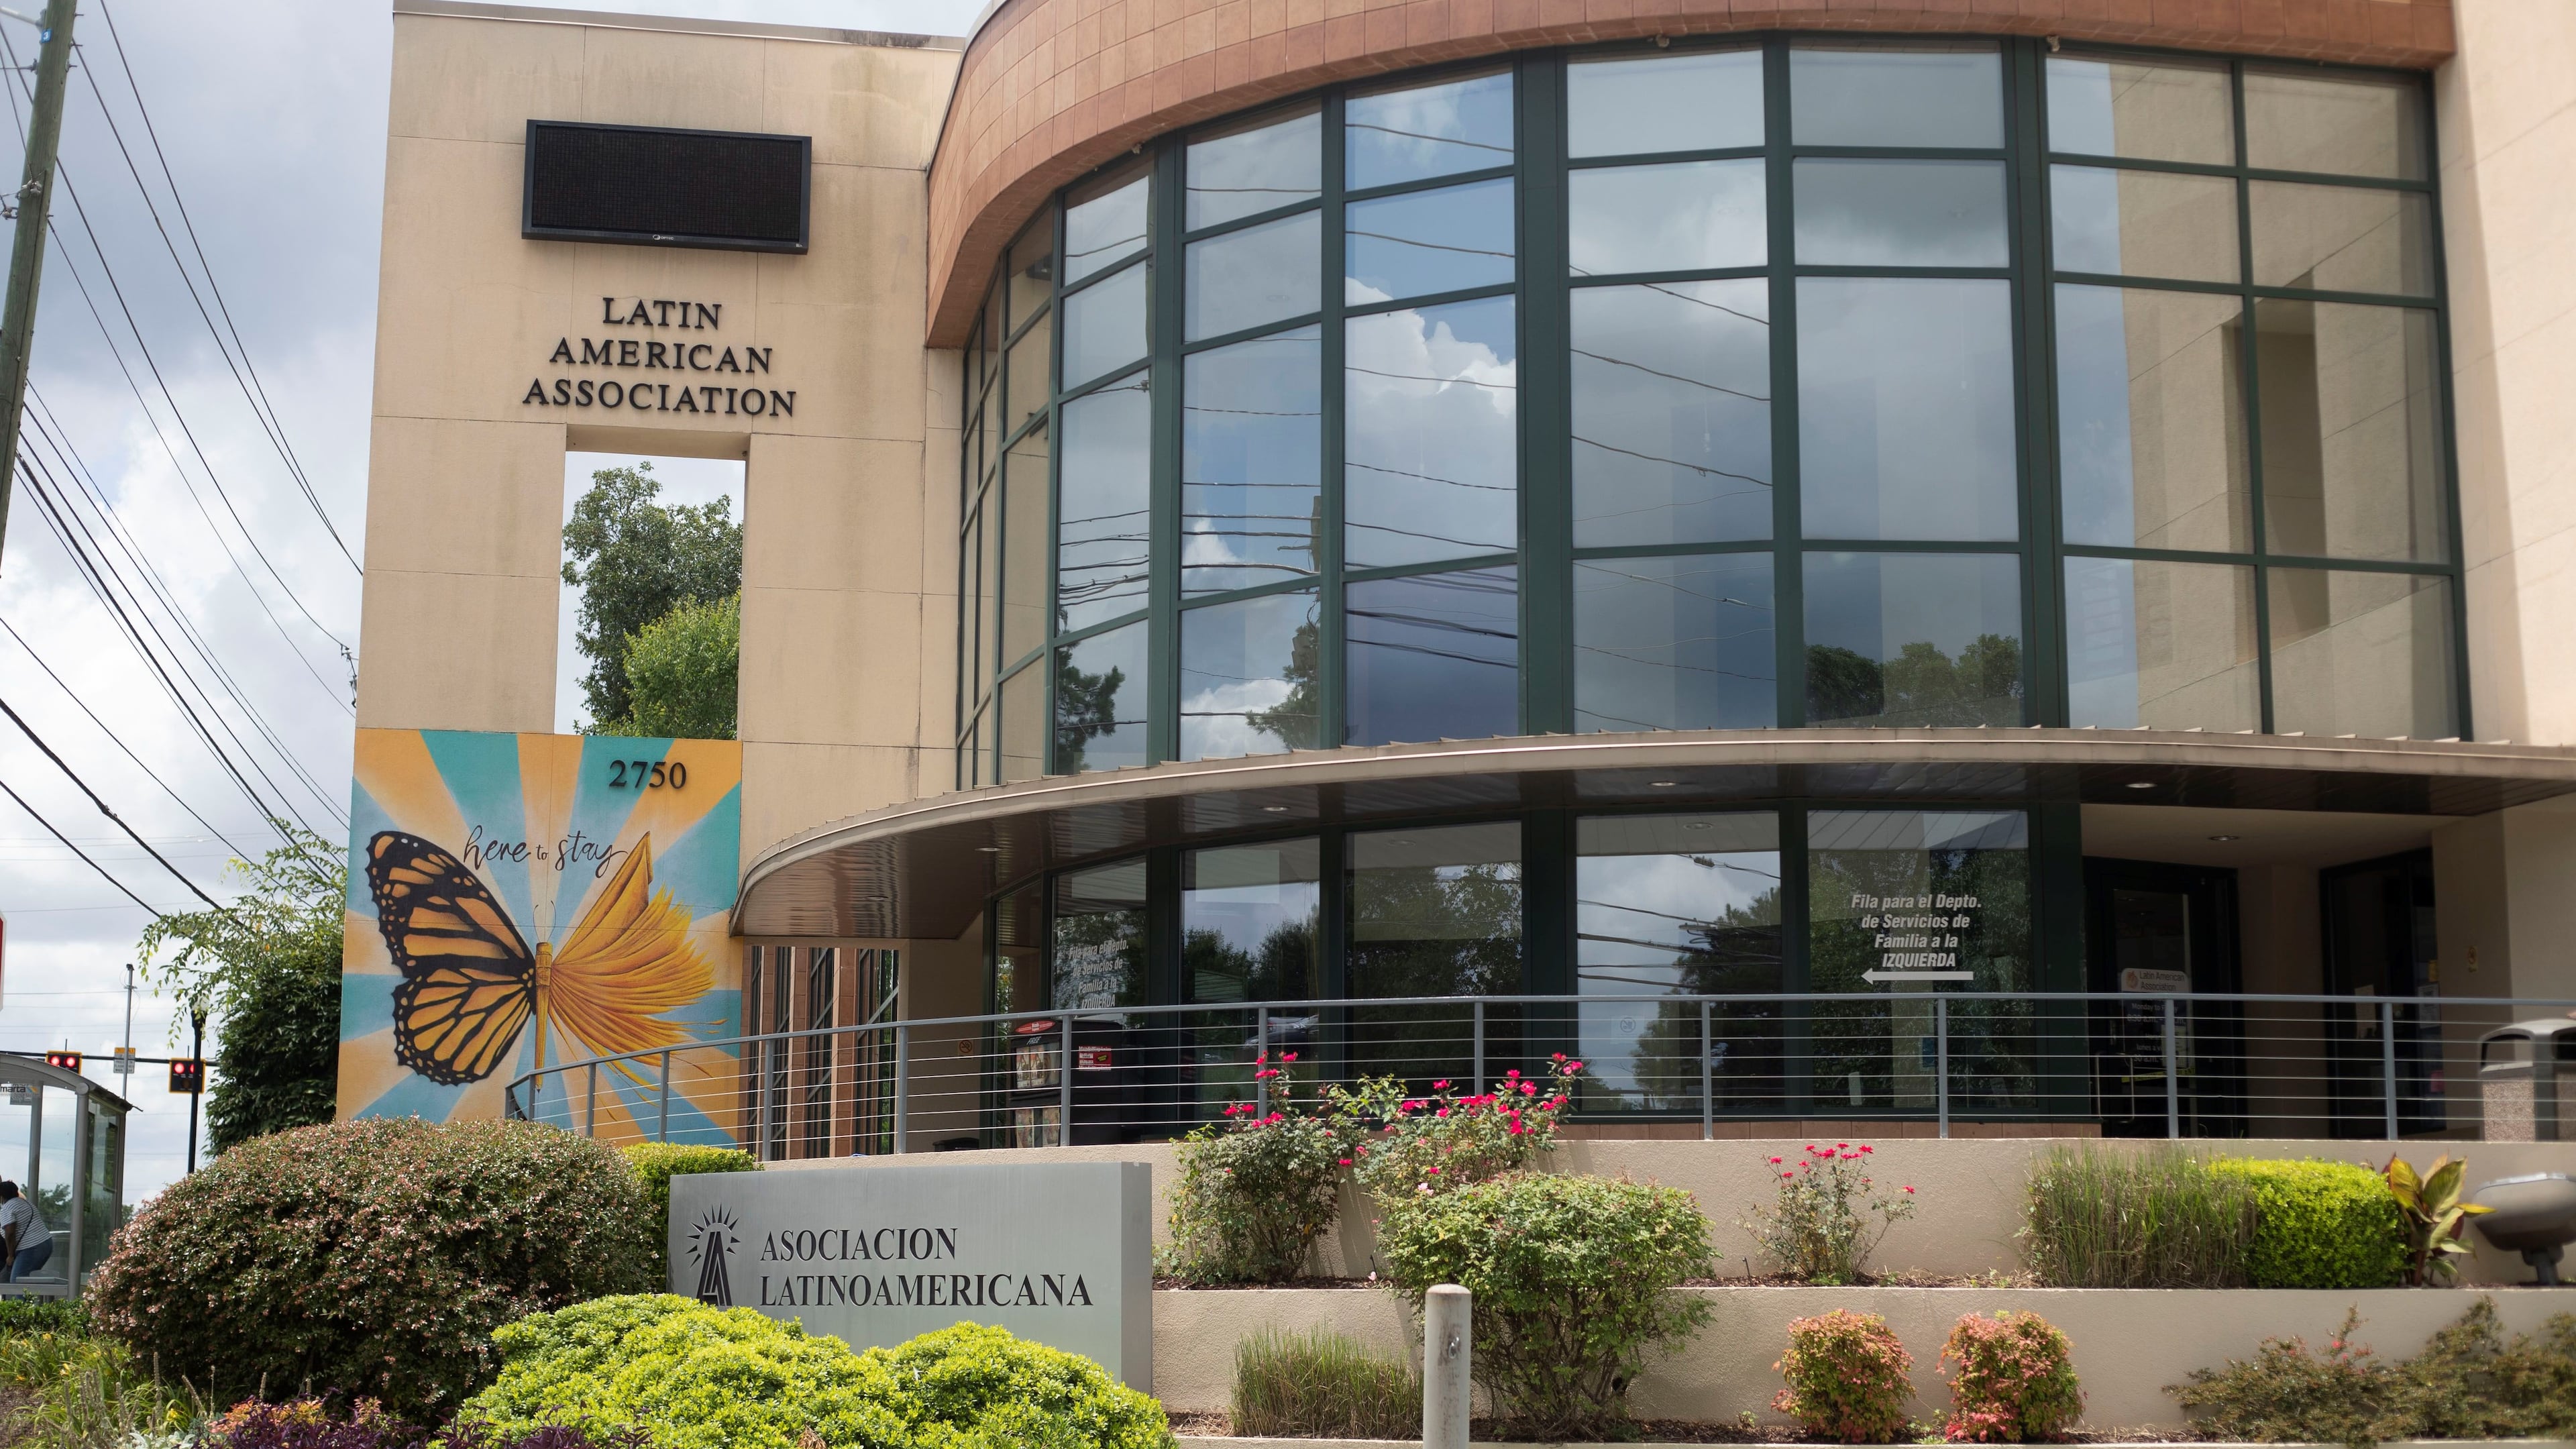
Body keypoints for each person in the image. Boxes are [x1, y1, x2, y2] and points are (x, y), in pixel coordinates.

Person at [0, 1181, 51, 1282]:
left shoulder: (8, 1208)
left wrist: (10, 1256)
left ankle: (21, 1298)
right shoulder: (26, 1204)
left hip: (32, 1248)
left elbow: (10, 1232)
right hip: (45, 1244)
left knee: (17, 1280)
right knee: (22, 1279)